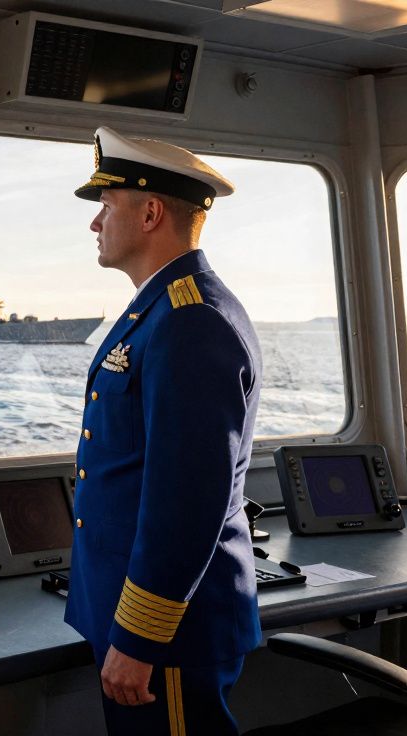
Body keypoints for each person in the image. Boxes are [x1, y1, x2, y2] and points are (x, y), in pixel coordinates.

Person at [64, 127, 262, 735]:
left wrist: (139, 637)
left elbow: (186, 503)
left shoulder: (188, 321)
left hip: (167, 629)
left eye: (107, 206)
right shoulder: (158, 313)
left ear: (150, 213)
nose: (95, 224)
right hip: (137, 609)